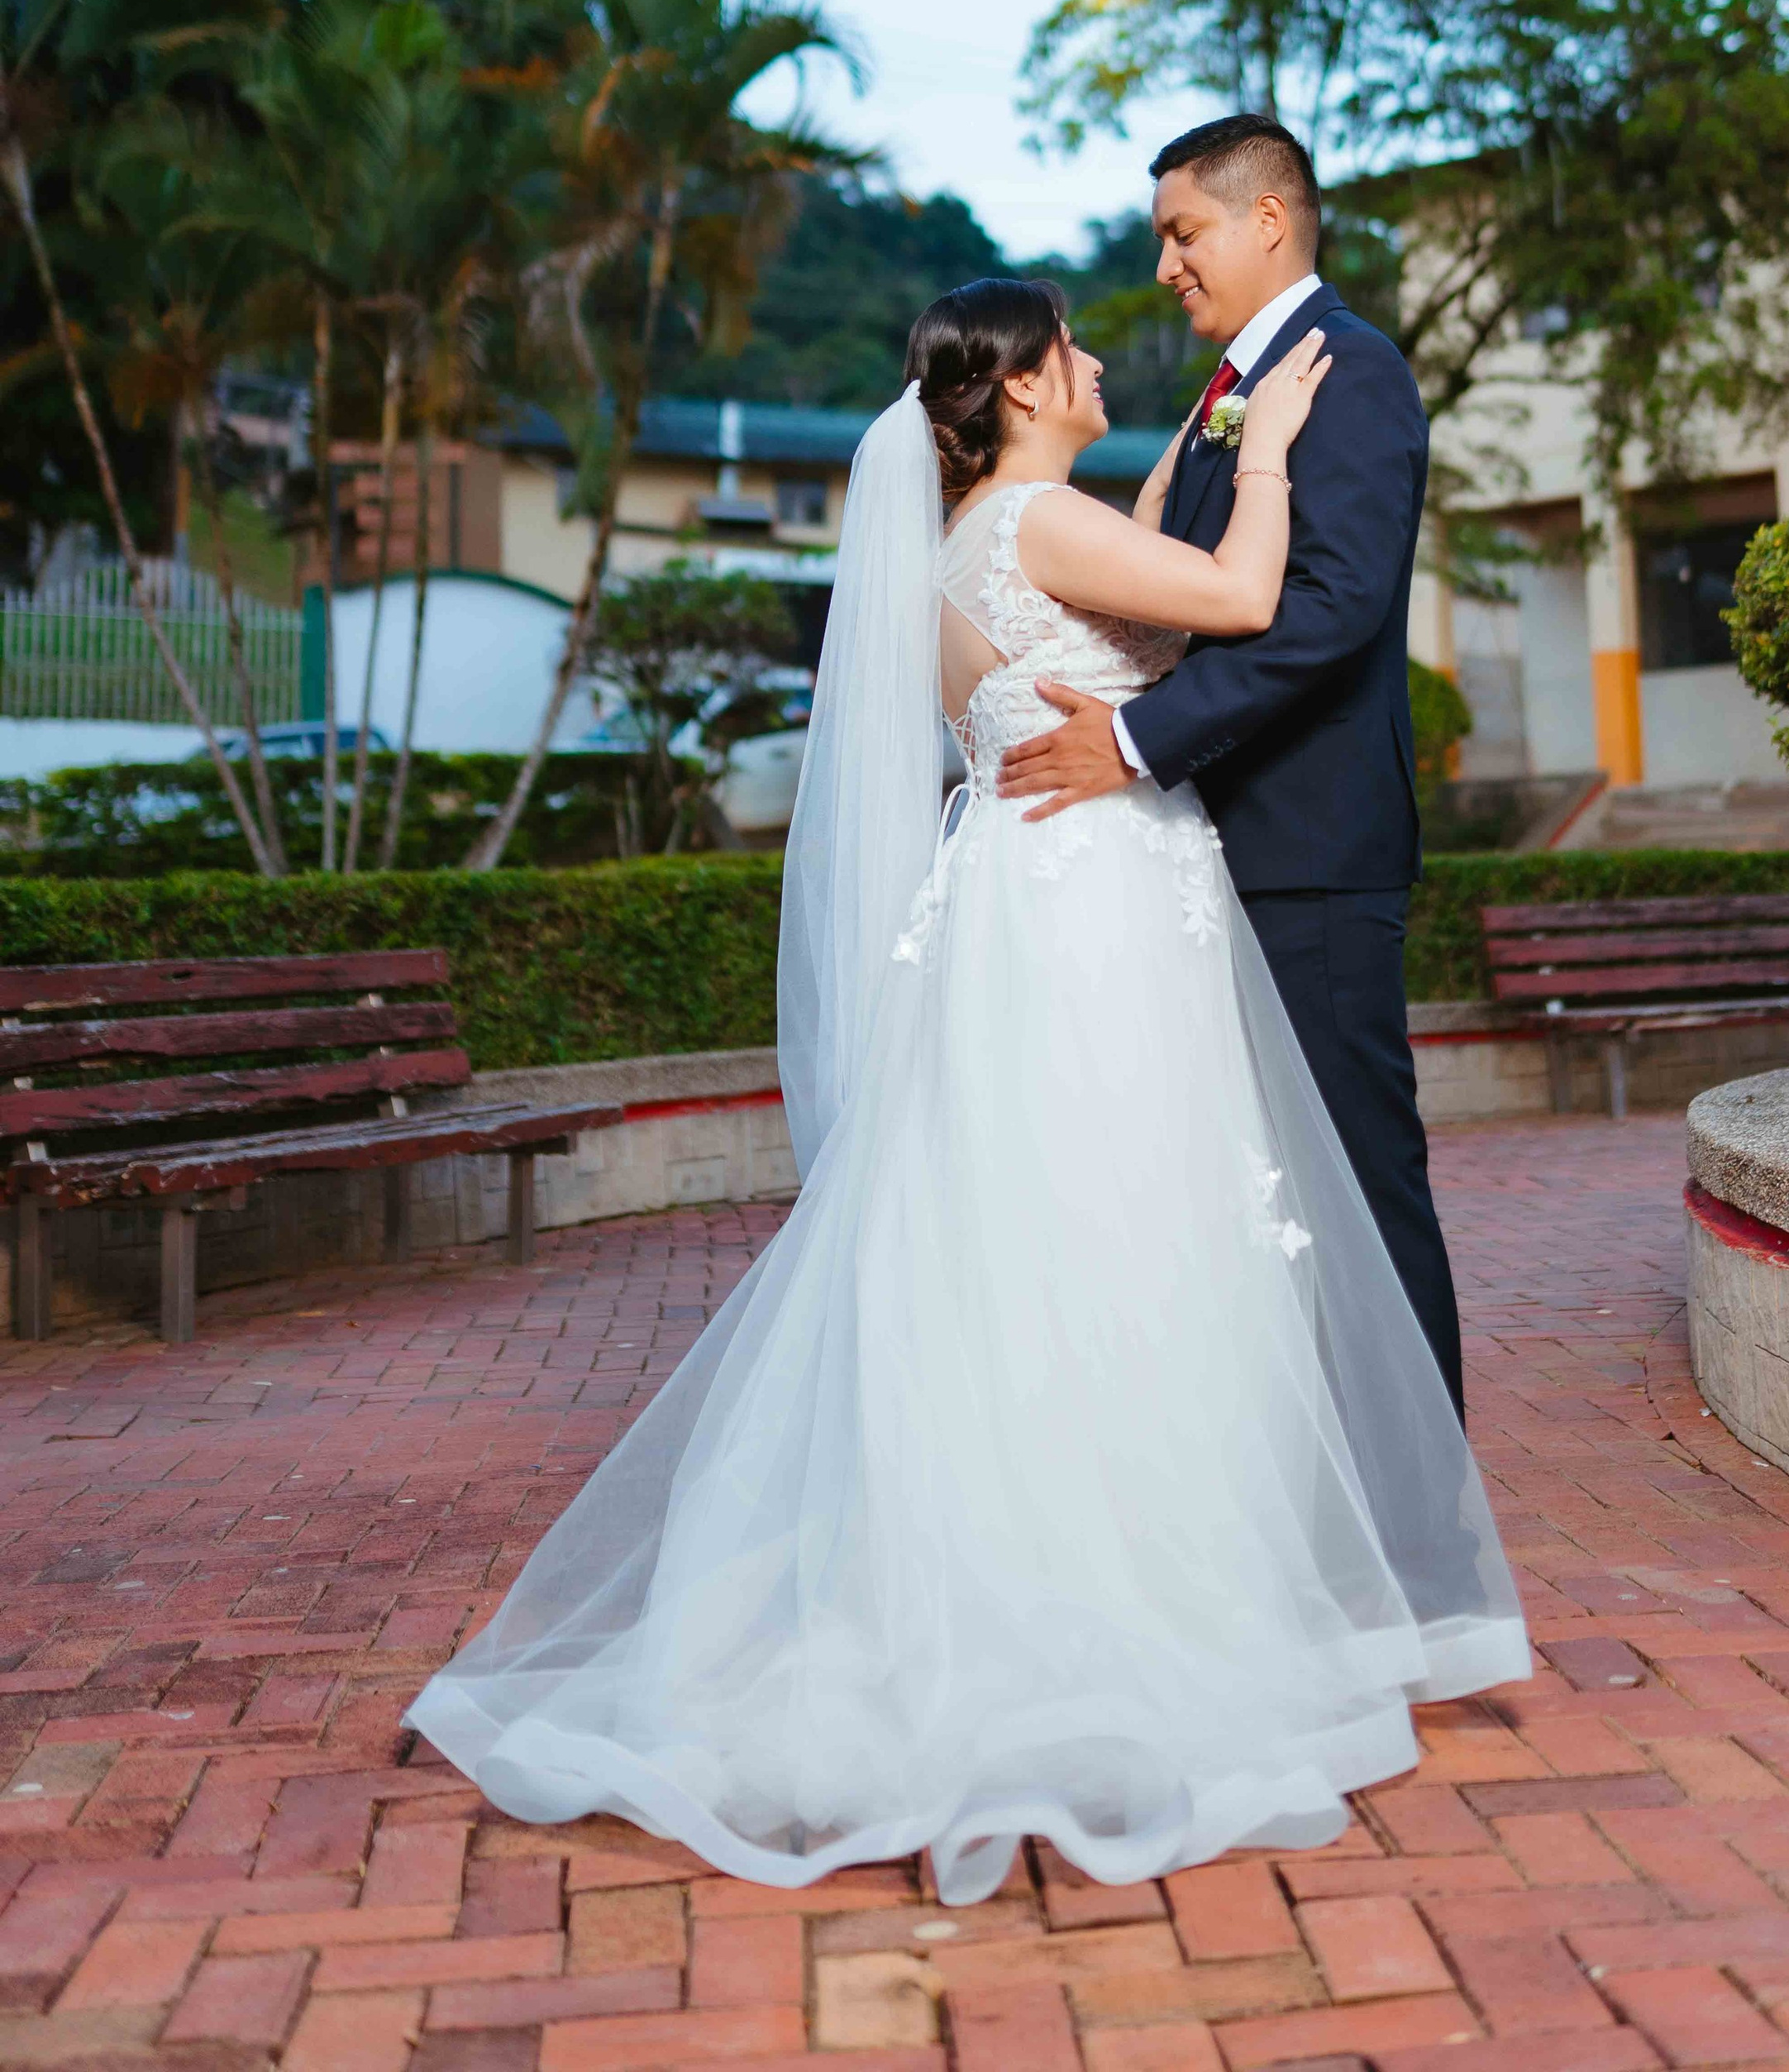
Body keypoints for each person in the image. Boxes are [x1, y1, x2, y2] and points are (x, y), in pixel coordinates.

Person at [406, 276, 1525, 1903]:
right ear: (1015, 388)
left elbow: (1119, 575)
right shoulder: (1041, 526)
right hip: (1096, 909)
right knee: (1129, 1234)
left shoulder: (959, 552)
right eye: (1069, 350)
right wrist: (1273, 443)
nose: (1094, 360)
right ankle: (1129, 1615)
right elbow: (1237, 594)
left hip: (1019, 900)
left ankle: (1029, 1582)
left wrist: (1172, 465)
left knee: (1029, 1239)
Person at [999, 115, 1465, 1415]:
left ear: (1268, 219)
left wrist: (1131, 741)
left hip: (1309, 853)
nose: (1165, 266)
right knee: (1262, 1198)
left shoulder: (1350, 372)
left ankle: (1412, 1497)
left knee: (1356, 1184)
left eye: (1182, 233)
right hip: (1214, 854)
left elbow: (1331, 610)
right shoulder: (1228, 399)